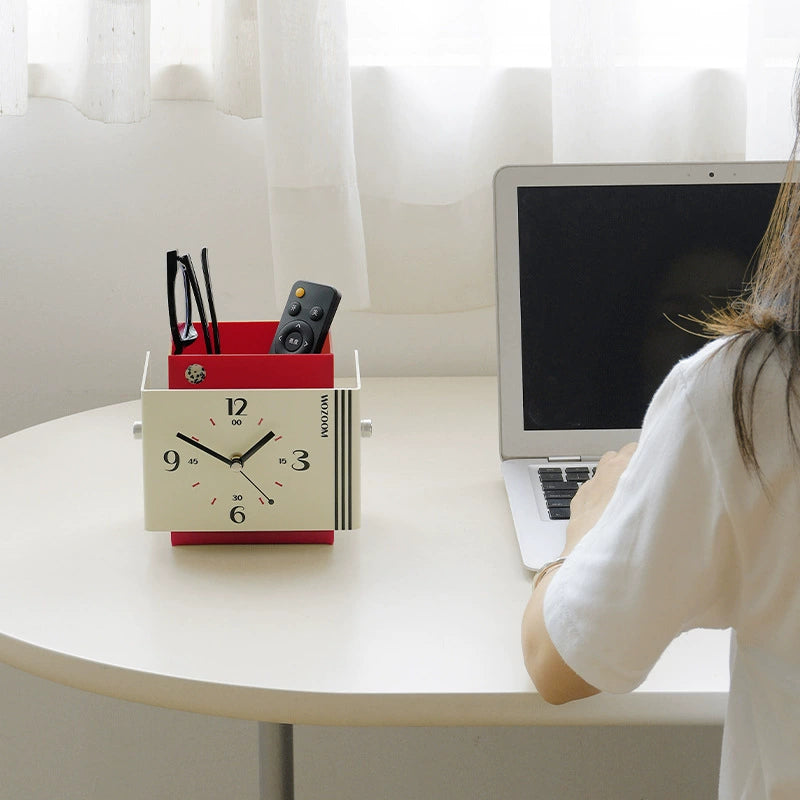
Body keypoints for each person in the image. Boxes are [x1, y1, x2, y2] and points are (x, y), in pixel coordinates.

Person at [521, 78, 800, 799]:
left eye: (724, 314)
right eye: (677, 316)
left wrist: (587, 526)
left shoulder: (745, 394)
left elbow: (558, 665)